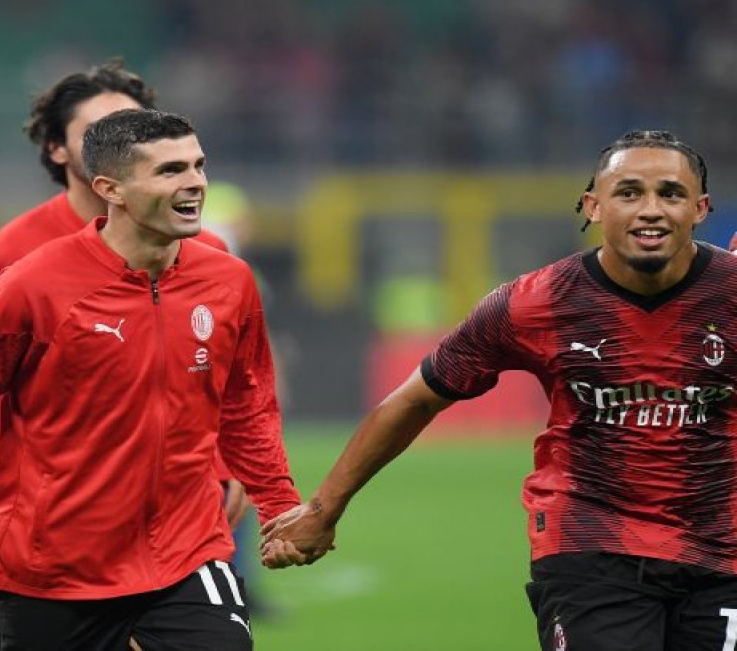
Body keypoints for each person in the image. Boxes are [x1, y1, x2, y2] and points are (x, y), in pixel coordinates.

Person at [0, 108, 302, 651]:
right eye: (170, 170)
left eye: (199, 166)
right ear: (111, 189)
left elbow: (246, 404)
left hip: (186, 552)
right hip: (50, 569)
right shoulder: (32, 285)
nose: (195, 182)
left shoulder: (227, 279)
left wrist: (279, 502)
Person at [262, 130, 736, 651]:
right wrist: (325, 509)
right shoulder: (532, 303)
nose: (650, 209)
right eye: (628, 193)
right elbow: (416, 399)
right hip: (589, 543)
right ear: (593, 206)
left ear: (700, 208)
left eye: (670, 193)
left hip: (722, 551)